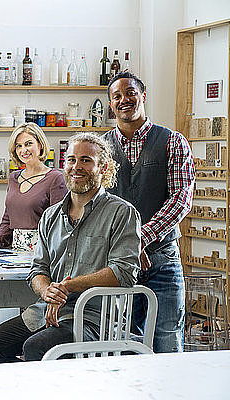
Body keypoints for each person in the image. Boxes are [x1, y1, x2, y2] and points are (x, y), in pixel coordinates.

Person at [0, 132, 141, 364]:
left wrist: (66, 287)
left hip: (95, 318)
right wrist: (47, 292)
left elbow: (124, 272)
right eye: (71, 159)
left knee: (37, 348)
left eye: (86, 160)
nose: (76, 167)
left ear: (103, 168)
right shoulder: (51, 216)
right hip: (46, 311)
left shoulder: (122, 213)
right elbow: (38, 270)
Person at [104, 71, 195, 353]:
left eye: (130, 93)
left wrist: (139, 238)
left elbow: (180, 199)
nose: (124, 100)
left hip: (162, 262)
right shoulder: (101, 148)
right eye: (116, 96)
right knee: (122, 345)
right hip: (116, 263)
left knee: (167, 340)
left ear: (143, 96)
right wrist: (125, 245)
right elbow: (96, 202)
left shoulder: (172, 142)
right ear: (110, 104)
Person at [0, 123, 67, 252]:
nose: (23, 150)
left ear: (40, 145)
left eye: (28, 144)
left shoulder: (55, 178)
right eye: (19, 146)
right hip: (14, 251)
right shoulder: (13, 177)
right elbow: (8, 216)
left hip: (42, 251)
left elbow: (59, 223)